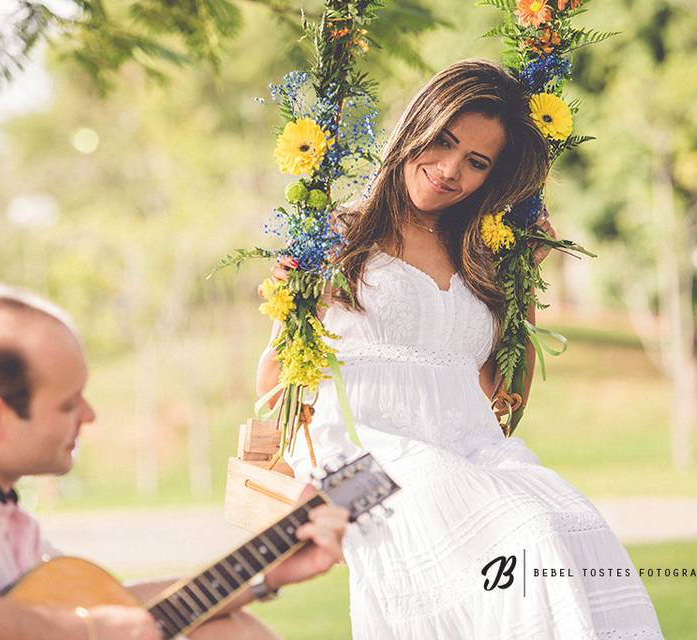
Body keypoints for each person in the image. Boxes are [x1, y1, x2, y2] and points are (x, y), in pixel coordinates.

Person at [257, 59, 664, 639]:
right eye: (443, 143)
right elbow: (275, 377)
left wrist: (524, 285)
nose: (449, 171)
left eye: (477, 162)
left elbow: (502, 397)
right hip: (373, 455)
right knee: (524, 537)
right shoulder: (338, 239)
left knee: (572, 525)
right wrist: (304, 469)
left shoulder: (482, 253)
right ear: (415, 127)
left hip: (471, 447)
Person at [0, 284, 349, 640]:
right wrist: (87, 630)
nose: (90, 416)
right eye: (68, 404)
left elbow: (112, 606)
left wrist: (262, 577)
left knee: (229, 633)